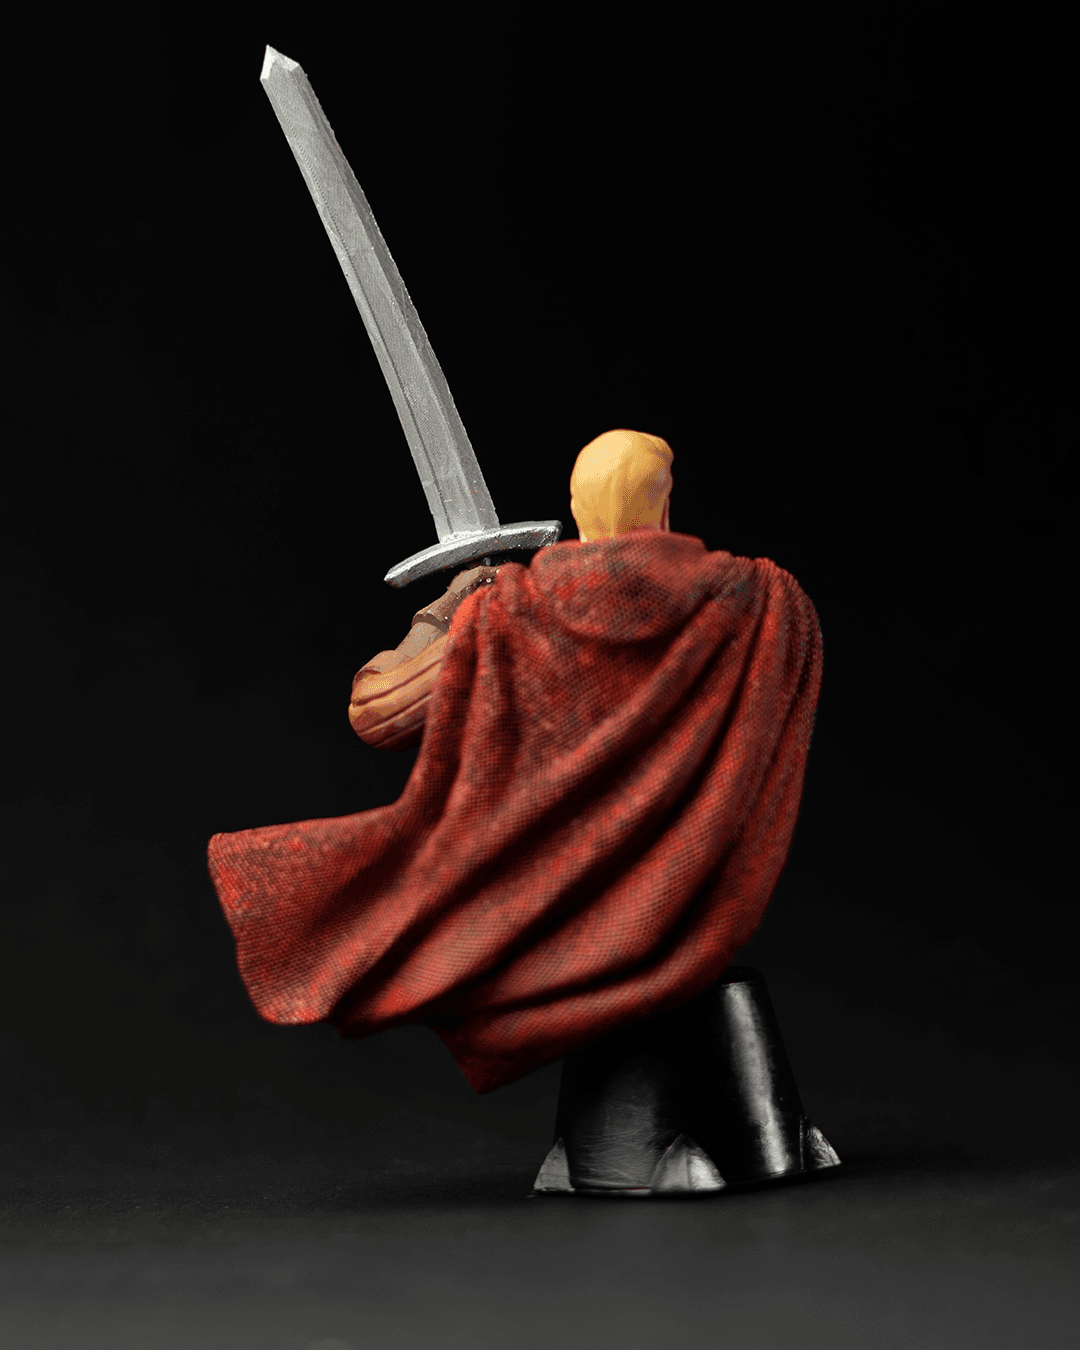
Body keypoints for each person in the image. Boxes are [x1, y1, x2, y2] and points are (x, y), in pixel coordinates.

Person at [208, 429, 838, 1193]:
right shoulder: (767, 601)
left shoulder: (516, 616)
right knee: (692, 996)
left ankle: (636, 1143)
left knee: (384, 907)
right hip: (693, 897)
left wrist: (445, 613)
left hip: (570, 901)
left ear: (575, 508)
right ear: (666, 506)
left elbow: (376, 711)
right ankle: (757, 1139)